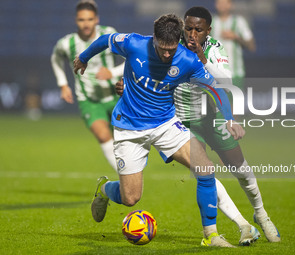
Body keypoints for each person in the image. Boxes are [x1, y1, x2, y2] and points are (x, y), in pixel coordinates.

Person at [74, 13, 245, 248]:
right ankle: (104, 189)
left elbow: (214, 89)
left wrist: (229, 119)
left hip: (165, 125)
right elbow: (105, 40)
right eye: (162, 48)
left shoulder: (188, 60)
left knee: (205, 168)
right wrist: (83, 58)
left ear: (178, 42)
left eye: (171, 49)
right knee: (131, 198)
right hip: (129, 127)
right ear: (153, 38)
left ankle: (211, 236)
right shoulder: (134, 43)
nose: (166, 54)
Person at [178, 6, 280, 243]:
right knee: (205, 173)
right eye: (188, 28)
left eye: (198, 30)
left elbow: (224, 82)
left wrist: (201, 58)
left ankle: (261, 214)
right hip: (185, 121)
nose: (192, 34)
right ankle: (240, 225)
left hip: (213, 116)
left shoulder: (215, 48)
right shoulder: (174, 46)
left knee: (241, 170)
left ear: (208, 31)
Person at [51, 0, 124, 171]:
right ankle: (124, 178)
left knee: (124, 140)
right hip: (89, 100)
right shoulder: (67, 43)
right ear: (76, 21)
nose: (86, 24)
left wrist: (112, 73)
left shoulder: (109, 34)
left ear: (96, 19)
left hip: (115, 96)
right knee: (103, 135)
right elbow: (55, 58)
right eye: (81, 20)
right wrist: (63, 84)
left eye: (90, 19)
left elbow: (131, 58)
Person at [211, 0, 256, 92]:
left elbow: (251, 46)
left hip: (235, 73)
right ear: (216, 5)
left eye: (225, 3)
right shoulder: (211, 23)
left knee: (234, 104)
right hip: (216, 73)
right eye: (219, 3)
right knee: (218, 105)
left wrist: (236, 37)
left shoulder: (239, 22)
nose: (222, 5)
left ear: (230, 5)